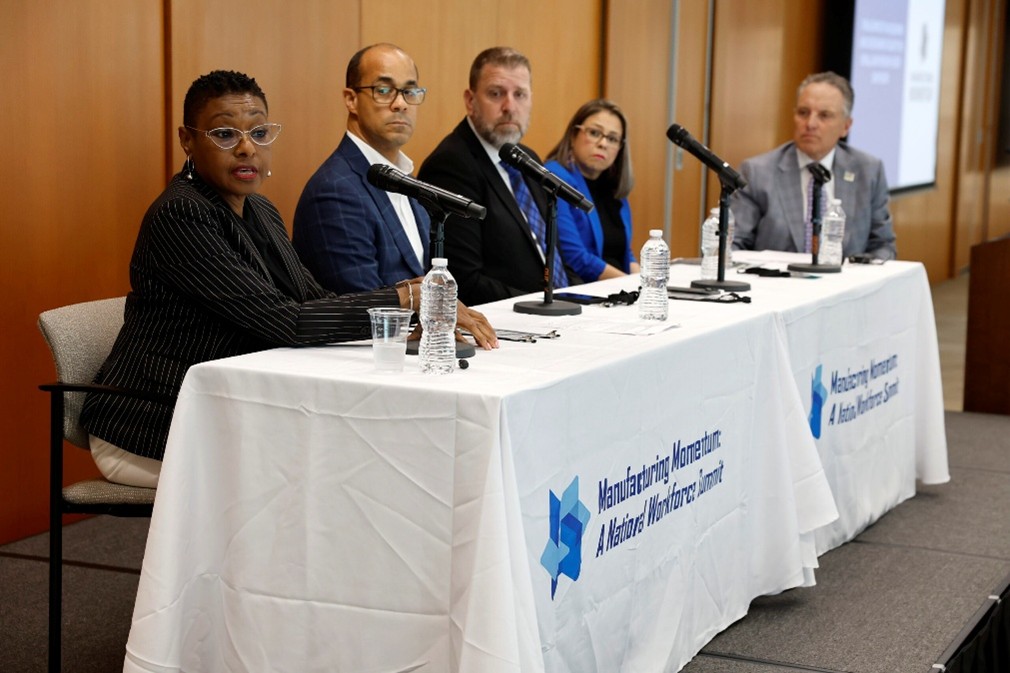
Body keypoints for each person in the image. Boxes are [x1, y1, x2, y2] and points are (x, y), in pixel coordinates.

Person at [80, 70, 496, 488]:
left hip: (224, 407)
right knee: (329, 475)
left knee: (359, 458)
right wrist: (407, 295)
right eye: (225, 134)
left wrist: (407, 326)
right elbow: (286, 322)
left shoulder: (259, 210)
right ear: (187, 140)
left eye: (259, 132)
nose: (247, 148)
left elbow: (313, 300)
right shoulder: (181, 215)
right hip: (153, 420)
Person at [418, 46, 577, 306]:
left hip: (552, 311)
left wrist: (577, 298)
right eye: (496, 94)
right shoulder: (451, 165)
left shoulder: (527, 158)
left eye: (520, 94)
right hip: (504, 324)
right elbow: (463, 280)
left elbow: (554, 255)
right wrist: (541, 304)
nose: (509, 107)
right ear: (470, 101)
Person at [293, 44, 431, 294]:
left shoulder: (410, 181)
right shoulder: (335, 191)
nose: (400, 104)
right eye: (384, 90)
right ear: (351, 100)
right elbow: (362, 306)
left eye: (409, 91)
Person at [731, 71, 897, 260]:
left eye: (824, 115)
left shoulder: (868, 171)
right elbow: (733, 245)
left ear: (846, 126)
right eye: (803, 113)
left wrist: (861, 272)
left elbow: (883, 245)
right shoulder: (757, 172)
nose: (810, 124)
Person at [544, 99, 638, 281]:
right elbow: (574, 256)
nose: (603, 144)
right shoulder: (556, 177)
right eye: (595, 133)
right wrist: (630, 283)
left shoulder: (614, 187)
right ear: (573, 135)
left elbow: (623, 252)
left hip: (618, 291)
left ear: (620, 148)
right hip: (583, 291)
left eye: (612, 139)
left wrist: (647, 281)